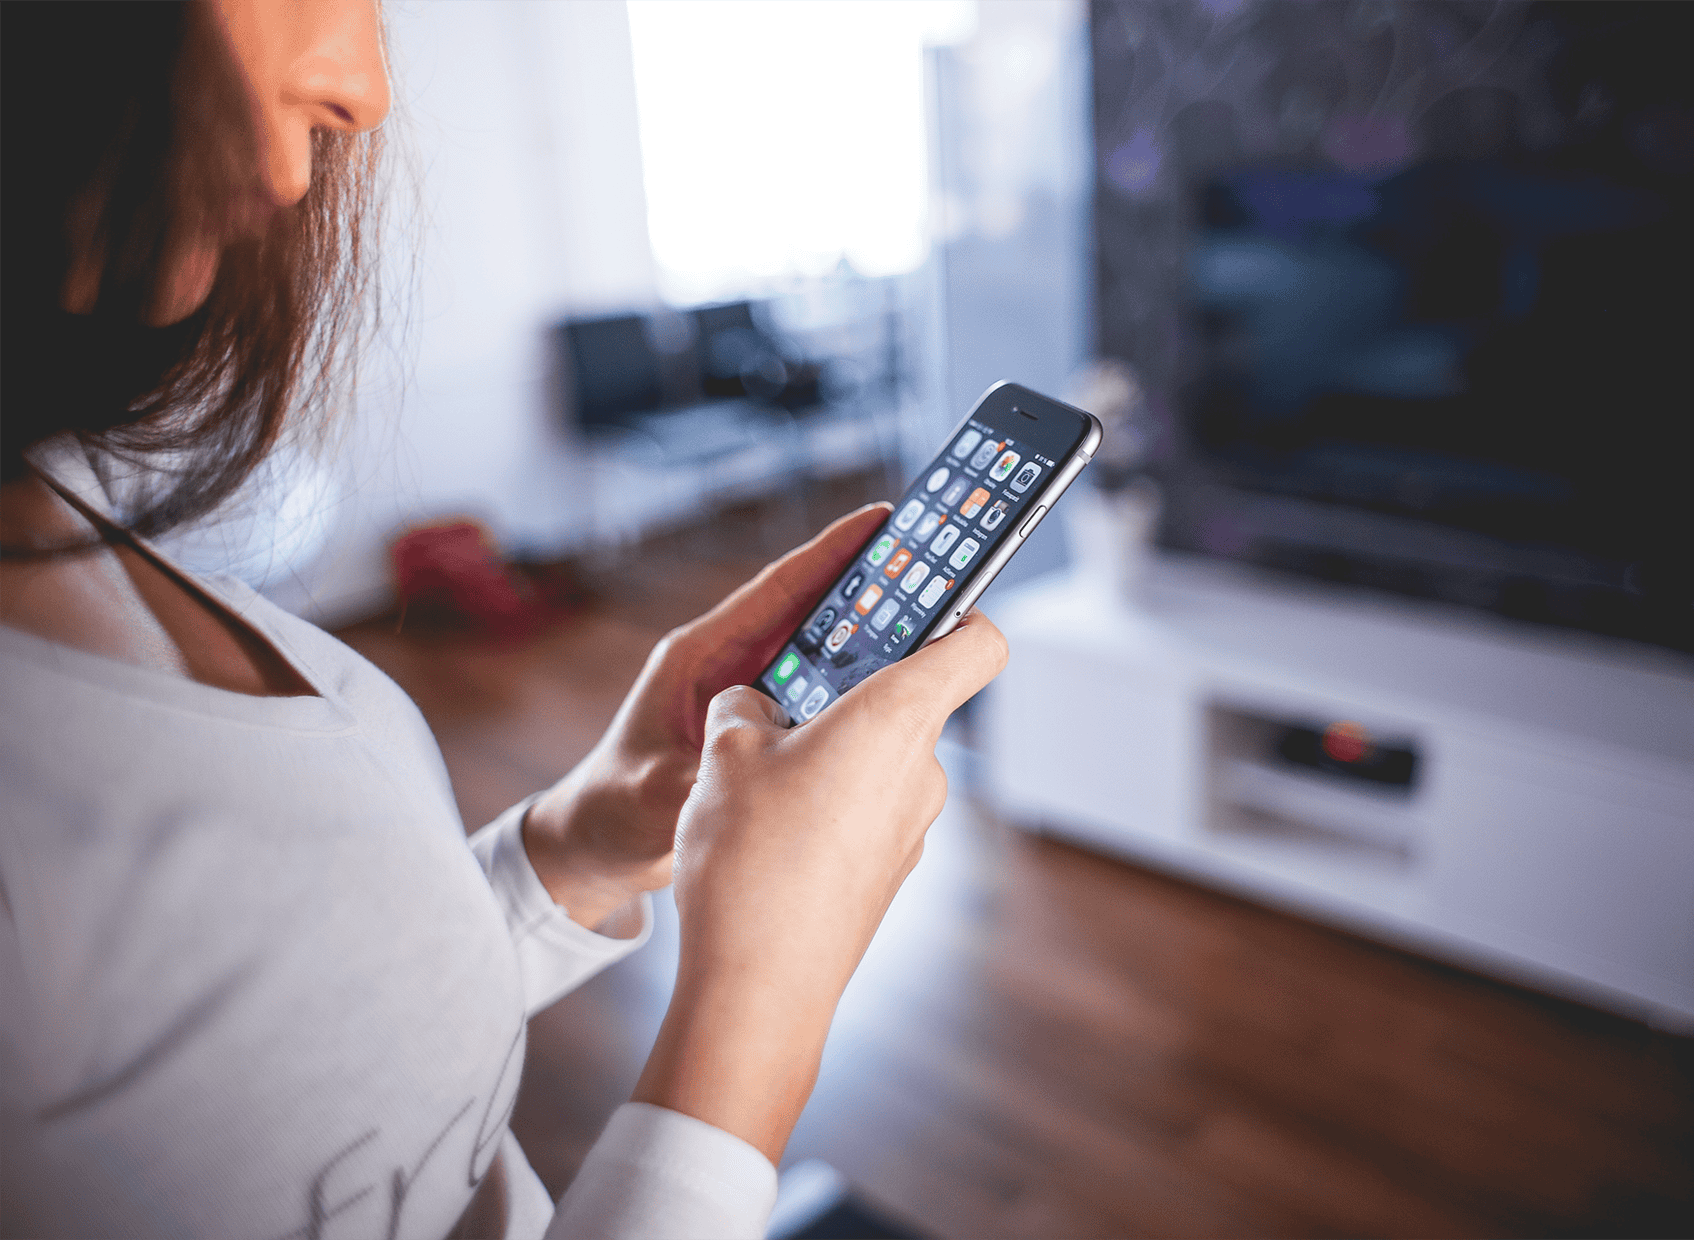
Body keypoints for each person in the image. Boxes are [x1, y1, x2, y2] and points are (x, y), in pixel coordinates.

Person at [0, 2, 1008, 1236]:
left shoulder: (56, 495)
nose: (364, 83)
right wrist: (762, 994)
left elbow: (282, 1055)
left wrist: (578, 844)